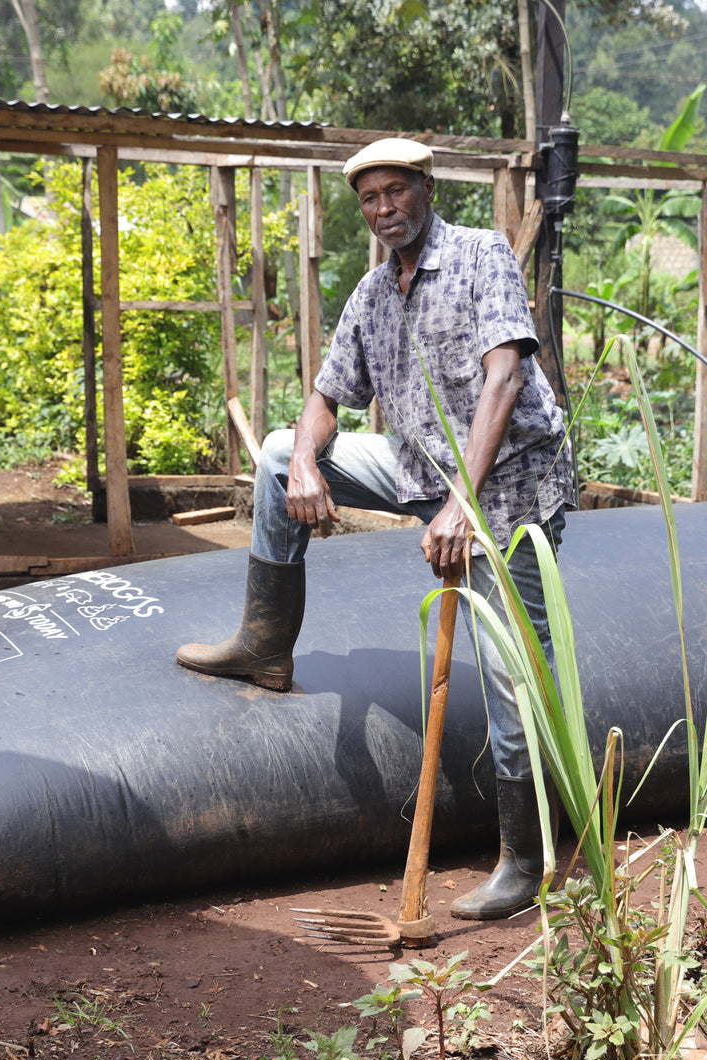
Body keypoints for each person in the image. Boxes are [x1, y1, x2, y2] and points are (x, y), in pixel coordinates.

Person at [174, 138, 575, 919]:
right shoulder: (371, 293)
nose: (385, 208)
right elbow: (326, 395)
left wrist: (464, 500)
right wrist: (303, 469)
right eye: (370, 198)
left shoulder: (479, 255)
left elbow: (506, 374)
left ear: (426, 188)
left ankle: (526, 861)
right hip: (422, 466)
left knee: (513, 674)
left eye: (397, 191)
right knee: (283, 450)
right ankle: (265, 644)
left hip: (510, 492)